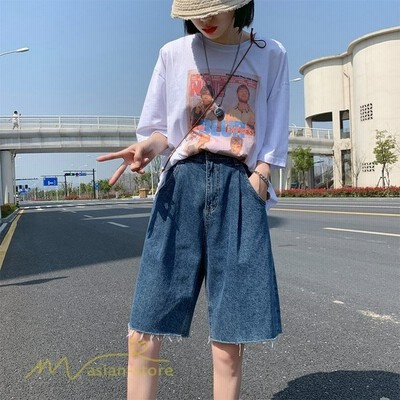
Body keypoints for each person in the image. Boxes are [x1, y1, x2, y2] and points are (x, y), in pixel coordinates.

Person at [97, 0, 289, 398]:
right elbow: (160, 129)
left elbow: (276, 126)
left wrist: (261, 175)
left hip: (238, 185)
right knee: (144, 328)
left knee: (229, 342)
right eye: (197, 9)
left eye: (214, 6)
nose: (204, 18)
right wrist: (147, 148)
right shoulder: (173, 54)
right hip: (181, 184)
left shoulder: (271, 54)